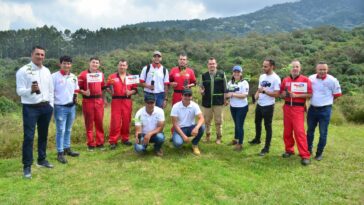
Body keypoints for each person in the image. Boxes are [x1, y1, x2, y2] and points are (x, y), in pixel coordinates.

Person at [16, 46, 54, 179]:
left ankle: (42, 160)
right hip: (30, 107)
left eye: (42, 55)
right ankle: (27, 166)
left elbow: (50, 89)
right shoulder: (23, 71)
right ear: (31, 54)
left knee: (43, 134)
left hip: (45, 107)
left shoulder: (47, 70)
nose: (40, 57)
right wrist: (30, 90)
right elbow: (19, 91)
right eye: (37, 54)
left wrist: (51, 105)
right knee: (29, 137)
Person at [307, 62, 342, 161]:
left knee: (323, 133)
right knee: (310, 131)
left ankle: (319, 153)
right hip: (312, 109)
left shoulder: (333, 80)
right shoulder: (311, 78)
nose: (322, 71)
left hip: (325, 110)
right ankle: (308, 150)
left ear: (327, 70)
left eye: (324, 69)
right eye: (320, 69)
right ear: (316, 69)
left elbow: (337, 94)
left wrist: (327, 102)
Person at [280, 60, 312, 166]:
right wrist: (284, 94)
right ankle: (289, 150)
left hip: (298, 109)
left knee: (299, 132)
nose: (295, 68)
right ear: (290, 68)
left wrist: (297, 96)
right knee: (287, 131)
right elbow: (281, 93)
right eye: (293, 67)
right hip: (287, 107)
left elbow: (310, 94)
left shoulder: (305, 80)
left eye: (297, 67)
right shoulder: (285, 80)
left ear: (300, 68)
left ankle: (305, 155)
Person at [249, 59, 281, 156]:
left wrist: (264, 92)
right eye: (263, 66)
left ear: (272, 67)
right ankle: (257, 139)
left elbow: (277, 94)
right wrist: (257, 94)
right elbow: (260, 88)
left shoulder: (276, 78)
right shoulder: (262, 76)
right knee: (257, 122)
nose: (263, 68)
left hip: (268, 106)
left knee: (267, 126)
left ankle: (266, 147)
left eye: (266, 66)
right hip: (260, 104)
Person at [52, 55, 80, 164]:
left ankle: (67, 148)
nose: (67, 65)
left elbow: (76, 89)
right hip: (60, 107)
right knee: (61, 130)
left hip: (71, 107)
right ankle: (60, 153)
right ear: (60, 64)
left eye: (68, 63)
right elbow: (50, 91)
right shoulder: (54, 77)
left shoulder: (73, 76)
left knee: (68, 129)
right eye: (64, 63)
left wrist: (75, 97)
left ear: (71, 65)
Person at [106, 59, 138, 149]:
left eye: (124, 65)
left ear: (127, 66)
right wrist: (110, 91)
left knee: (126, 120)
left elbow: (135, 90)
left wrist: (130, 92)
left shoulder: (131, 77)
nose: (122, 67)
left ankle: (125, 139)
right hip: (116, 100)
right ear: (118, 66)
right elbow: (107, 87)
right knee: (115, 121)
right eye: (120, 65)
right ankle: (113, 141)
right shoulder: (112, 76)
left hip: (127, 100)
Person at [78, 57, 107, 151]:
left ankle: (100, 143)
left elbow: (103, 88)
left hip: (99, 100)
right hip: (88, 101)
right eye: (93, 62)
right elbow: (77, 88)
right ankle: (90, 144)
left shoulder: (101, 74)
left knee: (99, 122)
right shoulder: (83, 74)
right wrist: (83, 92)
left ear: (99, 65)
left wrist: (104, 99)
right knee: (89, 123)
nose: (95, 64)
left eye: (97, 63)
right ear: (89, 63)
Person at [200, 57, 228, 144]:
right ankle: (207, 136)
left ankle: (218, 137)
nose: (212, 65)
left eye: (213, 63)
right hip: (207, 102)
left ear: (216, 64)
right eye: (210, 64)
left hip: (218, 102)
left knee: (218, 121)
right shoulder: (204, 76)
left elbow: (225, 88)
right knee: (207, 121)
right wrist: (201, 92)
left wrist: (226, 99)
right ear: (208, 65)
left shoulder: (222, 74)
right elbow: (201, 88)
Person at [171, 89, 205, 155]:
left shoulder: (195, 105)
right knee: (178, 144)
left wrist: (196, 128)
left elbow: (201, 118)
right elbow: (174, 124)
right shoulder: (175, 106)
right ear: (181, 96)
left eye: (189, 95)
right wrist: (183, 136)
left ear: (191, 97)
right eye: (185, 95)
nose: (187, 97)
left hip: (190, 128)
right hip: (179, 128)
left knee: (202, 127)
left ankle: (194, 144)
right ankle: (176, 137)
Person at [226, 65, 249, 151]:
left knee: (239, 125)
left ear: (241, 73)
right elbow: (227, 93)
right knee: (236, 124)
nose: (236, 73)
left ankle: (240, 143)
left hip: (242, 107)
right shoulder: (230, 82)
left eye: (238, 72)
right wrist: (226, 98)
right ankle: (236, 139)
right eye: (235, 72)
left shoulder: (244, 83)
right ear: (232, 73)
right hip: (233, 107)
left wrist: (232, 94)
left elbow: (244, 95)